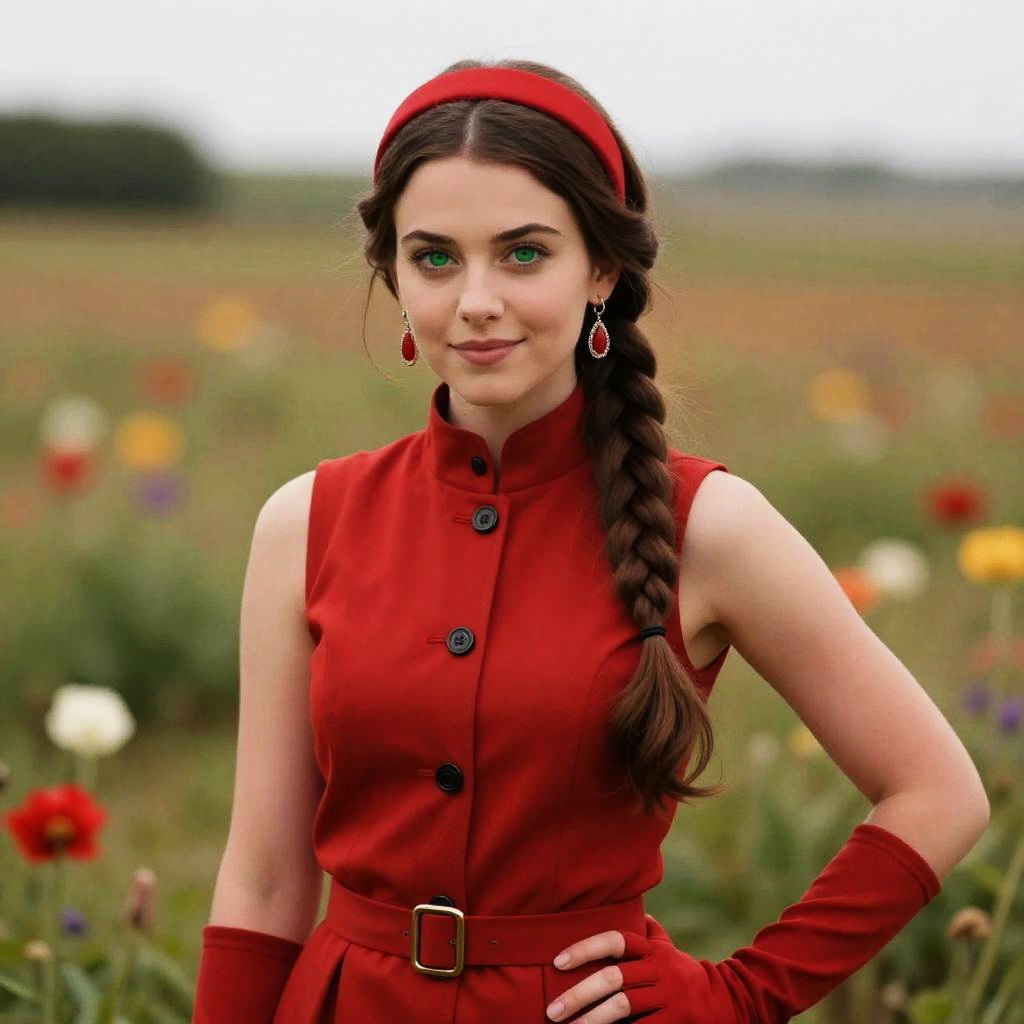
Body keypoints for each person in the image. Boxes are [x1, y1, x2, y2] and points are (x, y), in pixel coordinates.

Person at [192, 60, 990, 1024]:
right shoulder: (304, 523)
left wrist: (738, 998)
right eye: (434, 257)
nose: (475, 299)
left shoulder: (710, 524)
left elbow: (938, 793)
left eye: (523, 253)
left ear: (602, 268)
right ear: (392, 275)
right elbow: (268, 880)